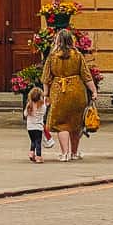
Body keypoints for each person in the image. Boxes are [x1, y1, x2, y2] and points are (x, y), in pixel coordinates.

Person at [41, 28, 98, 162]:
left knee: (62, 124)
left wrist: (46, 94)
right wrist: (94, 91)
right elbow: (86, 75)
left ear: (58, 41)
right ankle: (74, 152)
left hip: (58, 91)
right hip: (77, 91)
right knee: (76, 124)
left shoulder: (52, 56)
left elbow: (46, 77)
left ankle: (64, 153)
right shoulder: (77, 55)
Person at [24, 86, 47, 163]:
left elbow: (25, 114)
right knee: (38, 142)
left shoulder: (29, 105)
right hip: (38, 127)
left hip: (30, 127)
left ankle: (31, 153)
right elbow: (44, 113)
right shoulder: (42, 106)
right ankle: (38, 156)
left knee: (33, 141)